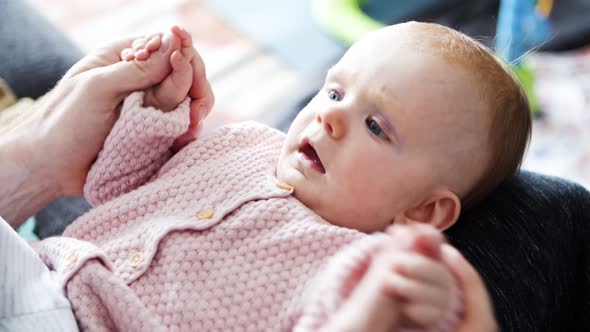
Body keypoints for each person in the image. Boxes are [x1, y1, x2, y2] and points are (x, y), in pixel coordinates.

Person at [0, 23, 500, 332]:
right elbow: (116, 191)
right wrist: (155, 112)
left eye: (375, 126)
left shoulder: (358, 268)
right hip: (44, 275)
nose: (331, 118)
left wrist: (419, 302)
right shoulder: (245, 143)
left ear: (422, 211)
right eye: (333, 92)